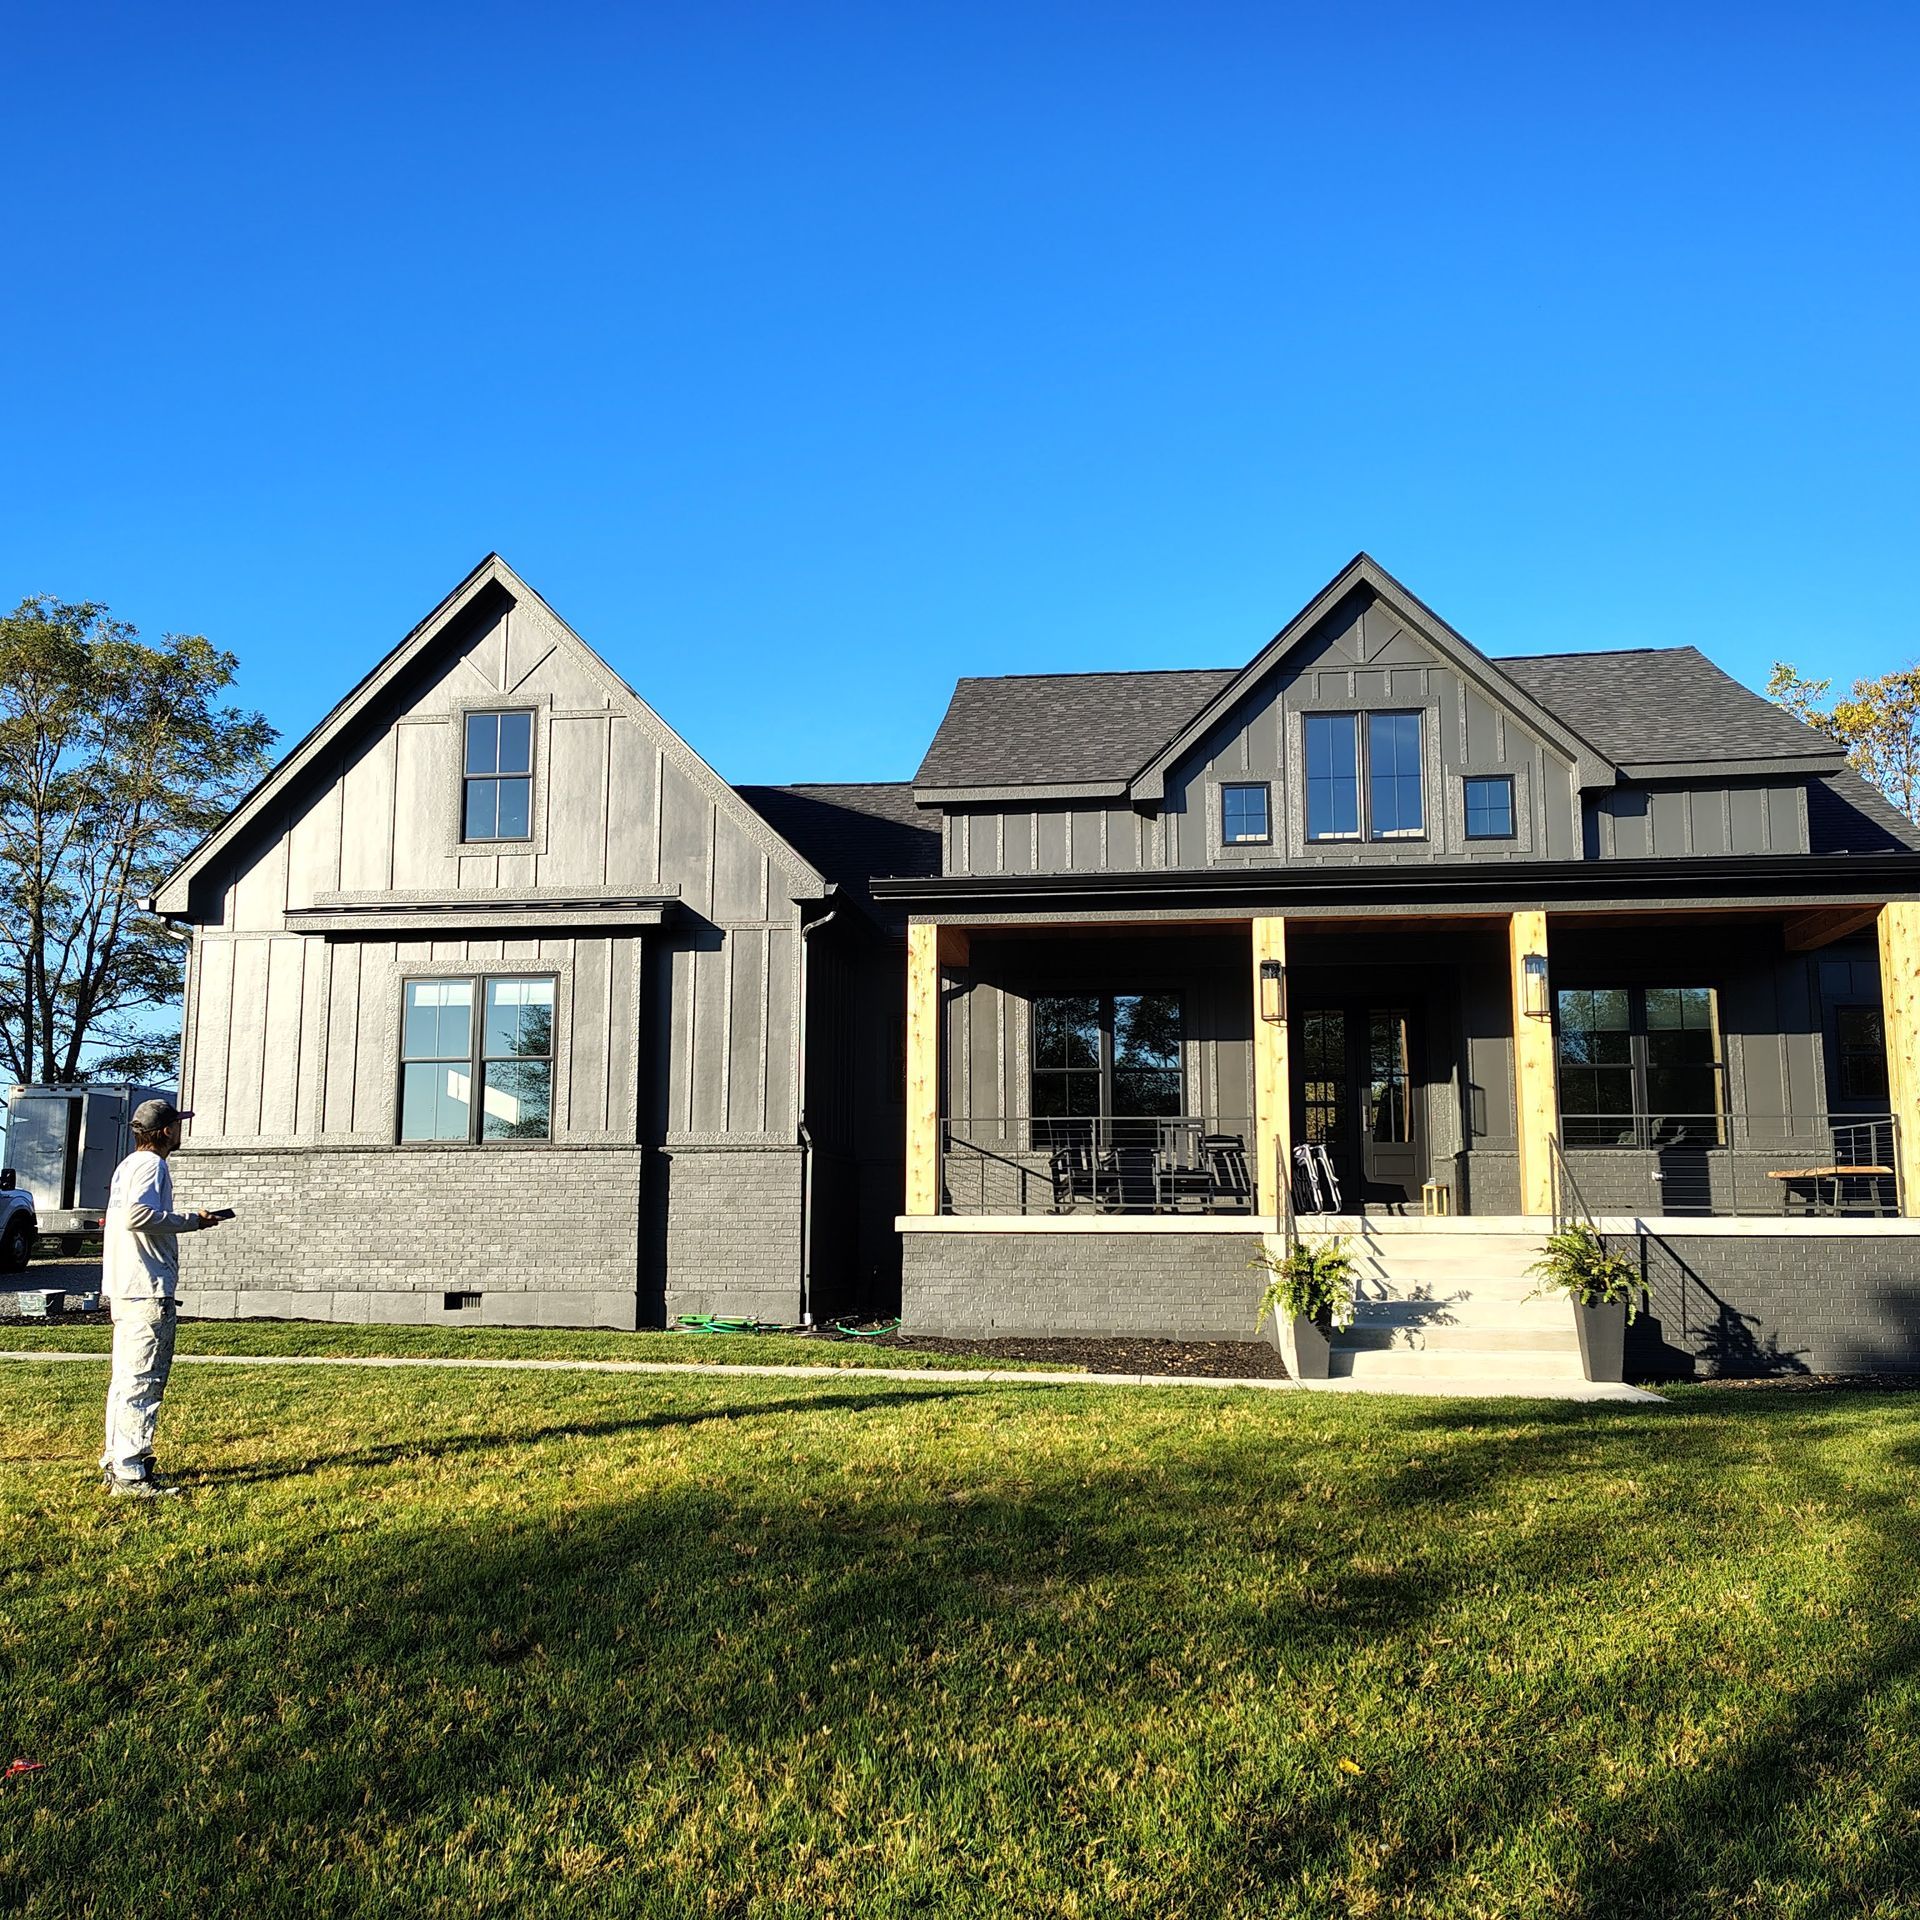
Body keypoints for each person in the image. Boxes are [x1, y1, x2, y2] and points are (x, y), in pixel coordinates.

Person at [99, 1098, 225, 1497]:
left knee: (124, 1381)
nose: (180, 1131)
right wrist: (193, 1221)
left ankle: (116, 1461)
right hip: (146, 1290)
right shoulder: (153, 1165)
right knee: (144, 1382)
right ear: (167, 1131)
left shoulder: (127, 1166)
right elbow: (138, 1216)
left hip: (124, 1287)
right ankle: (132, 1473)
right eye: (178, 1125)